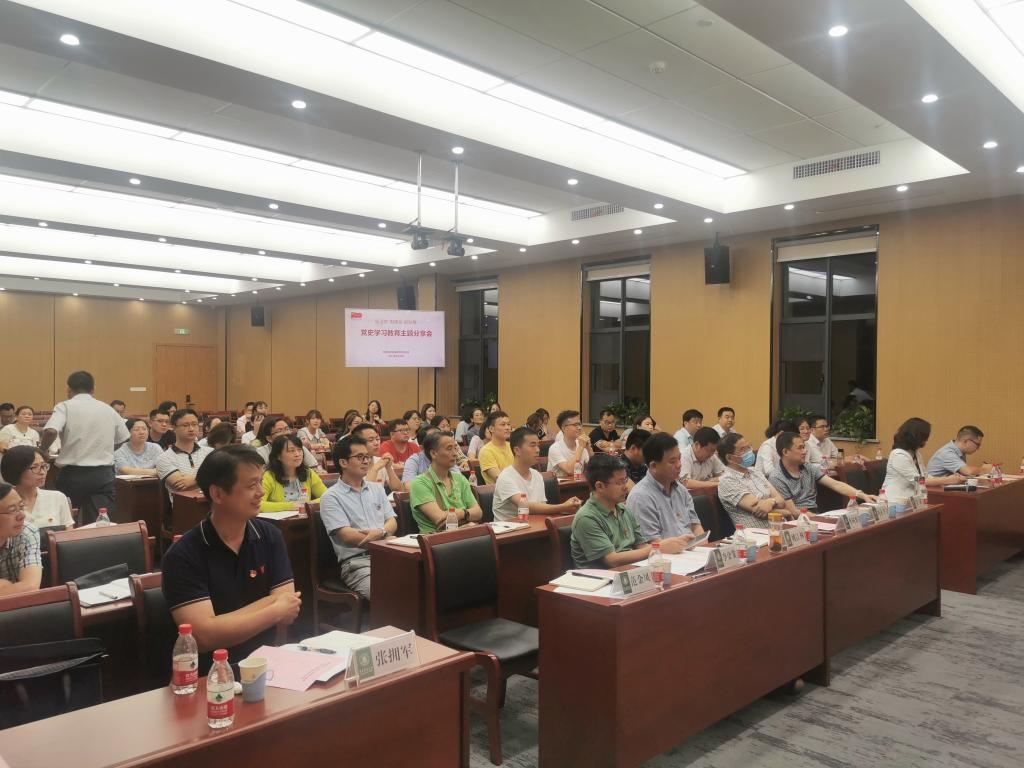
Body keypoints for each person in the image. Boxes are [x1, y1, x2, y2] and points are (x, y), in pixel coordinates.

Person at [161, 446, 300, 674]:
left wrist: (220, 622)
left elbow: (289, 607)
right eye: (251, 485)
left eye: (261, 482)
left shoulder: (270, 535)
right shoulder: (183, 554)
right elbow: (203, 636)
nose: (261, 492)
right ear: (217, 494)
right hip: (209, 676)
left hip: (266, 666)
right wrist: (274, 610)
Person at [41, 371, 129, 525]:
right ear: (93, 389)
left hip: (73, 474)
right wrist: (105, 449)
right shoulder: (107, 409)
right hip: (103, 475)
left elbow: (51, 431)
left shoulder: (65, 406)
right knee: (99, 524)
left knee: (67, 522)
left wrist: (42, 450)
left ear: (69, 390)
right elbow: (123, 438)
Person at [319, 435, 397, 600]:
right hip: (357, 564)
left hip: (389, 554)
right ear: (343, 462)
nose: (366, 461)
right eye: (360, 457)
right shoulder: (331, 497)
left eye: (367, 457)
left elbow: (392, 521)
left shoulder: (377, 488)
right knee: (388, 595)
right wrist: (383, 537)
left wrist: (381, 532)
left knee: (420, 584)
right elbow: (347, 535)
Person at [569, 454, 650, 569]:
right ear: (600, 486)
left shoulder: (624, 509)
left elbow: (641, 545)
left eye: (625, 480)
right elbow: (612, 560)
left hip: (629, 570)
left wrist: (657, 552)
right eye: (619, 483)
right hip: (600, 576)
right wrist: (657, 549)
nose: (626, 487)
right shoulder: (586, 517)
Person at [627, 432, 705, 545]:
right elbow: (652, 544)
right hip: (665, 554)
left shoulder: (681, 490)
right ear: (654, 466)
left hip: (691, 551)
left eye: (679, 459)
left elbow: (695, 526)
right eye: (672, 461)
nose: (679, 465)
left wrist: (704, 547)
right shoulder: (640, 497)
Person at [769, 432, 875, 512]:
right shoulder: (776, 477)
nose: (804, 451)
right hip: (797, 520)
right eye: (800, 448)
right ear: (785, 452)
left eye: (804, 447)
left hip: (815, 512)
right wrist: (822, 519)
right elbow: (794, 512)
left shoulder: (808, 467)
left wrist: (863, 495)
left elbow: (836, 484)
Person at [493, 427, 581, 521]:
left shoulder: (537, 475)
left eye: (538, 445)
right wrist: (562, 507)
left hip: (534, 524)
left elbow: (541, 507)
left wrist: (567, 508)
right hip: (510, 528)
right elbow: (525, 506)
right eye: (532, 445)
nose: (538, 450)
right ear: (517, 450)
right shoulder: (505, 477)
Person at [717, 432, 792, 530]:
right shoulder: (727, 481)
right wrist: (786, 513)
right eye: (743, 449)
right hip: (755, 535)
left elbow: (781, 501)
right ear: (729, 458)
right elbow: (760, 509)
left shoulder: (755, 471)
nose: (749, 451)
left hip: (779, 529)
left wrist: (771, 502)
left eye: (748, 447)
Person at [409, 432, 482, 533]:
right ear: (433, 453)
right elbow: (440, 519)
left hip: (465, 535)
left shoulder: (459, 479)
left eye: (455, 448)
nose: (455, 453)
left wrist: (461, 513)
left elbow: (478, 512)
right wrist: (467, 521)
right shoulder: (420, 483)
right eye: (449, 449)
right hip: (436, 539)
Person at [882, 418, 964, 501]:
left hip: (912, 500)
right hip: (894, 501)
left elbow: (925, 476)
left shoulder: (916, 453)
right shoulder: (898, 455)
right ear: (916, 436)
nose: (926, 440)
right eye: (925, 437)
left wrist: (950, 479)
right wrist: (947, 480)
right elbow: (917, 481)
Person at [2, 446, 74, 529]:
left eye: (43, 466)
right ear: (16, 470)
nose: (42, 472)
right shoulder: (4, 501)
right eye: (34, 467)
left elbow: (68, 532)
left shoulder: (57, 497)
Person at [155, 408, 213, 501]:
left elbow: (223, 477)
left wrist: (195, 479)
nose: (191, 429)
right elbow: (181, 485)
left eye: (194, 424)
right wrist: (210, 476)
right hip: (185, 506)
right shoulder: (164, 458)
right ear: (173, 428)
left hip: (213, 503)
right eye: (185, 425)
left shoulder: (210, 452)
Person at [261, 434, 328, 512]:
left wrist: (307, 505)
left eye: (299, 450)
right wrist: (290, 506)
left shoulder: (308, 473)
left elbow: (327, 497)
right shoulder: (268, 476)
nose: (297, 454)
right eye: (292, 451)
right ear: (278, 456)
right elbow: (259, 505)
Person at [0, 482, 41, 596]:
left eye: (21, 507)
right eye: (12, 510)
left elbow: (30, 587)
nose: (22, 516)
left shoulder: (26, 532)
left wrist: (4, 585)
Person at [350, 423, 402, 491]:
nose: (376, 443)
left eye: (377, 439)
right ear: (358, 443)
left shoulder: (381, 461)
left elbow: (398, 489)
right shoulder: (352, 465)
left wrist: (389, 468)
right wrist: (375, 469)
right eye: (371, 440)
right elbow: (364, 492)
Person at [926, 426, 992, 478]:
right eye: (977, 444)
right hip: (935, 490)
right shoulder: (947, 453)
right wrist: (985, 469)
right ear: (966, 441)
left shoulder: (960, 452)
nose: (978, 448)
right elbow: (968, 472)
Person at [253, 418, 319, 469]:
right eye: (279, 431)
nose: (286, 433)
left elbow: (313, 466)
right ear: (269, 438)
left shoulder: (298, 447)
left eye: (287, 429)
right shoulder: (260, 453)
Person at [547, 410, 592, 478]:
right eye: (575, 425)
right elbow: (570, 470)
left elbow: (594, 467)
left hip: (579, 482)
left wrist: (589, 448)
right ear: (564, 428)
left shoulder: (580, 443)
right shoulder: (555, 448)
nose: (579, 428)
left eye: (579, 424)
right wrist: (580, 447)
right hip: (559, 484)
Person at [479, 410, 514, 482]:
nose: (507, 428)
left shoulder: (513, 446)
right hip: (500, 488)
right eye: (503, 425)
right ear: (491, 429)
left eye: (508, 424)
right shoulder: (486, 451)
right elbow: (500, 478)